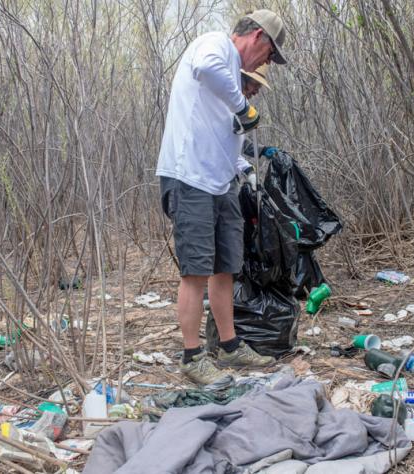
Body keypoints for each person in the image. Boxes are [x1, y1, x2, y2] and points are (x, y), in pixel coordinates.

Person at [156, 9, 287, 385]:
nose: (267, 64)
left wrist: (246, 173)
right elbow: (206, 69)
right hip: (190, 176)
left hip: (220, 181)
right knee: (195, 270)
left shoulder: (234, 77)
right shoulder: (215, 46)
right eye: (269, 54)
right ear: (258, 37)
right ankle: (192, 356)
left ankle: (229, 347)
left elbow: (229, 140)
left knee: (226, 266)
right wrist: (242, 106)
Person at [237, 64, 280, 190]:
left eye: (258, 87)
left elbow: (240, 143)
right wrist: (246, 167)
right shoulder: (224, 103)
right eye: (255, 85)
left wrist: (263, 150)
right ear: (242, 79)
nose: (256, 92)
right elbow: (223, 145)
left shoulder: (242, 106)